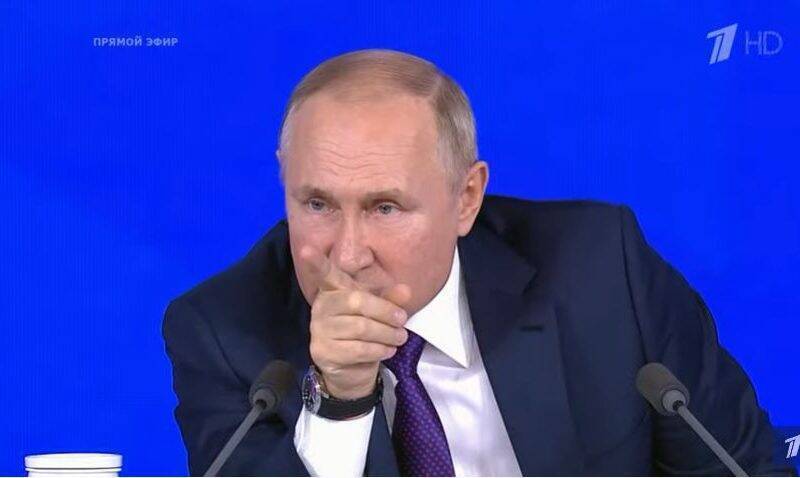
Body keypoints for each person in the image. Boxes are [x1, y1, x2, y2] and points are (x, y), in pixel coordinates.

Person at [162, 49, 794, 476]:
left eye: (385, 207)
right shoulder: (223, 331)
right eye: (317, 204)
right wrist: (340, 401)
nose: (348, 254)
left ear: (466, 198)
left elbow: (741, 468)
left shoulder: (601, 269)